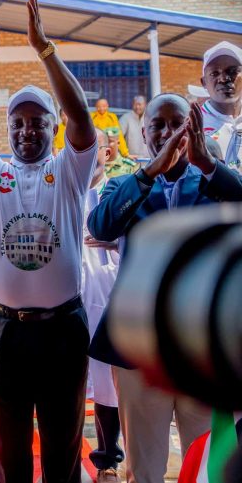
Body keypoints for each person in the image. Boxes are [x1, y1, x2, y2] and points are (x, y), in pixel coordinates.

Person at [0, 0, 97, 483]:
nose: (26, 131)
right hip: (3, 333)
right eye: (18, 123)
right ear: (9, 129)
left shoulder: (71, 169)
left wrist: (45, 49)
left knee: (63, 451)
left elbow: (82, 118)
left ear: (53, 128)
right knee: (9, 454)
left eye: (38, 122)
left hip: (62, 331)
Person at [87, 94, 242, 483]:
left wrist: (208, 165)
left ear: (193, 132)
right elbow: (101, 226)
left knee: (209, 465)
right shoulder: (124, 186)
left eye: (178, 124)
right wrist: (150, 173)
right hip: (140, 353)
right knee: (145, 468)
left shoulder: (215, 185)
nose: (169, 133)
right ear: (144, 132)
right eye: (159, 125)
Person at [80, 129, 122, 483]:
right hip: (71, 302)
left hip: (110, 296)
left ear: (107, 153)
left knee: (110, 387)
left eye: (92, 148)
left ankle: (109, 459)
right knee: (70, 385)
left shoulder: (120, 192)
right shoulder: (64, 191)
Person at [199, 41, 242, 170]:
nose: (224, 79)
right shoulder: (194, 125)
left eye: (233, 71)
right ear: (204, 82)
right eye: (214, 73)